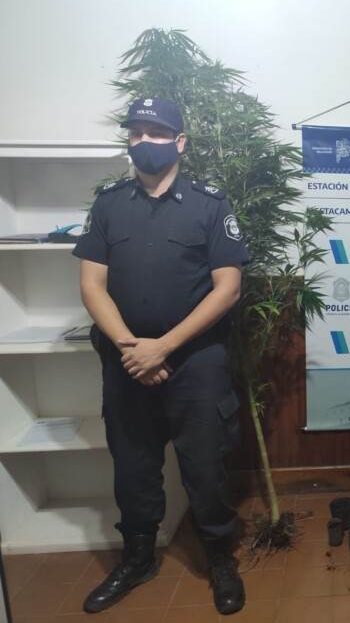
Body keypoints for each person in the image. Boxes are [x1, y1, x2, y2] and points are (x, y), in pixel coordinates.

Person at [72, 96, 250, 615]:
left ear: (179, 142)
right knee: (133, 464)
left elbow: (228, 288)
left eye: (156, 132)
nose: (144, 141)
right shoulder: (108, 204)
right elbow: (91, 285)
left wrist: (164, 347)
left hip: (196, 360)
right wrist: (132, 349)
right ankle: (138, 558)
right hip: (127, 360)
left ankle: (219, 555)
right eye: (136, 133)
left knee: (205, 466)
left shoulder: (210, 204)